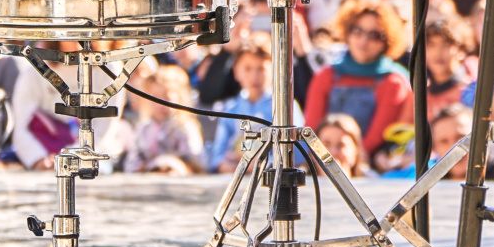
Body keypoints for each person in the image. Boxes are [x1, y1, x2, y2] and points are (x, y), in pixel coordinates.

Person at [303, 0, 412, 161]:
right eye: (357, 30)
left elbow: (377, 137)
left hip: (367, 168)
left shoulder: (394, 81)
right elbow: (311, 129)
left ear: (387, 40)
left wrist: (349, 158)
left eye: (374, 35)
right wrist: (325, 162)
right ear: (347, 32)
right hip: (321, 164)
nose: (363, 40)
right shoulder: (326, 75)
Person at [206, 37, 302, 173]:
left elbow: (297, 154)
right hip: (235, 177)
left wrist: (265, 163)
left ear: (275, 71)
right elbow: (217, 154)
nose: (254, 76)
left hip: (272, 179)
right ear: (236, 71)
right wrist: (224, 165)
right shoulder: (230, 109)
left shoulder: (285, 107)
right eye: (247, 69)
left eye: (261, 69)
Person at [124, 65, 205, 174]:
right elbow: (132, 163)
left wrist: (174, 167)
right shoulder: (143, 128)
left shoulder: (185, 127)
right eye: (155, 98)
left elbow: (198, 163)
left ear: (179, 97)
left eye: (166, 98)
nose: (160, 104)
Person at [425, 18, 474, 116]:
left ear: (461, 50)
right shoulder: (419, 94)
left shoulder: (471, 92)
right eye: (431, 45)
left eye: (446, 45)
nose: (437, 53)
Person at [317, 113, 369, 178]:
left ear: (356, 150)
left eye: (341, 145)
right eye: (326, 145)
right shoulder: (301, 183)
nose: (333, 152)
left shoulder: (373, 181)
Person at [431, 103, 473, 180]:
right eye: (444, 142)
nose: (453, 147)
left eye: (461, 138)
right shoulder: (428, 184)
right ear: (435, 149)